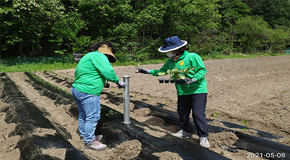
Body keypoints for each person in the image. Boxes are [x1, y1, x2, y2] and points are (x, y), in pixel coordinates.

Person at [136, 36, 210, 148]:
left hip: (197, 90)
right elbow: (161, 72)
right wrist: (147, 71)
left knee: (197, 113)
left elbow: (202, 70)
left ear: (178, 49)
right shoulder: (170, 62)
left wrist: (193, 79)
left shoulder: (192, 57)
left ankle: (203, 136)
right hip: (182, 91)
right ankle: (186, 131)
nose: (168, 53)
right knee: (182, 112)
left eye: (169, 51)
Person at [71, 42, 125, 151]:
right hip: (89, 92)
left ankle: (85, 136)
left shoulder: (88, 55)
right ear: (108, 53)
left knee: (83, 115)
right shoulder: (100, 56)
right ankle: (89, 141)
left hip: (77, 89)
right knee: (93, 116)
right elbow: (107, 71)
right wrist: (118, 81)